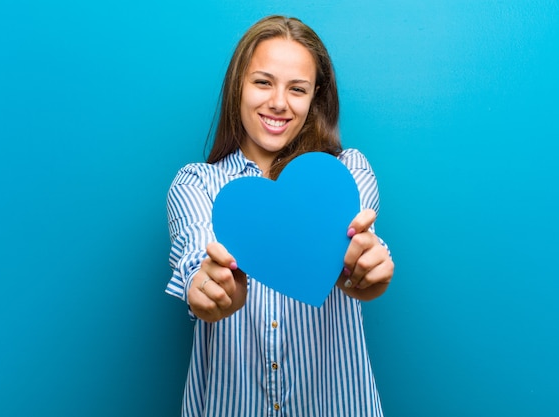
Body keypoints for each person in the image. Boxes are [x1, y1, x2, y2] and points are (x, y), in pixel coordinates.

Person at [166, 15, 394, 416]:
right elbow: (197, 266)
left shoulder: (347, 173)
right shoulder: (195, 184)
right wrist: (214, 289)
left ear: (315, 97)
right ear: (239, 86)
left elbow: (356, 259)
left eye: (297, 89)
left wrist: (368, 274)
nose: (278, 103)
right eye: (263, 82)